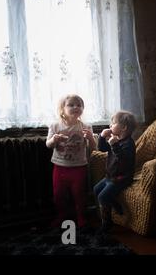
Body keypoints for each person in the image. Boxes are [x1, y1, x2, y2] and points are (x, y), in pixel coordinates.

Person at [46, 94, 96, 228]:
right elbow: (48, 145)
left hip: (79, 167)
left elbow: (93, 147)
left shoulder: (85, 127)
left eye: (79, 105)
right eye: (71, 104)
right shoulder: (55, 126)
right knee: (58, 195)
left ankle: (80, 216)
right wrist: (54, 139)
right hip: (60, 167)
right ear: (62, 108)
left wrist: (91, 138)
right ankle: (61, 215)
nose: (76, 107)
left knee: (79, 194)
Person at [93, 111, 137, 234]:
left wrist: (115, 145)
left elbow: (123, 161)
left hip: (122, 178)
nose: (110, 126)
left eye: (113, 123)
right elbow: (101, 149)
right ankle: (115, 204)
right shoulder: (115, 140)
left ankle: (107, 223)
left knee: (102, 196)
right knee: (96, 190)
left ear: (123, 127)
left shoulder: (129, 143)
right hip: (110, 177)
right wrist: (102, 137)